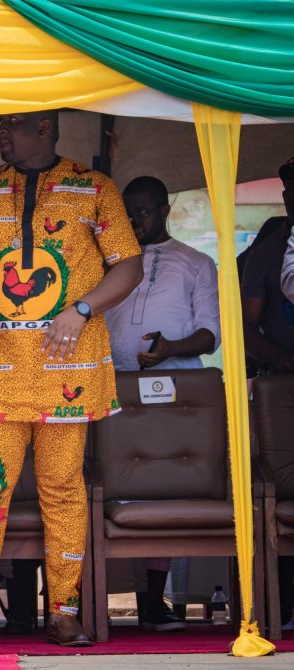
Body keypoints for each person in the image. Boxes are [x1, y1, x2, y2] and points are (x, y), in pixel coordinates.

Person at [0, 110, 142, 648]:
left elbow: (128, 265)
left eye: (15, 124)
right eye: (0, 124)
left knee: (63, 489)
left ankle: (66, 610)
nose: (2, 132)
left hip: (66, 367)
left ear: (46, 127)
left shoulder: (93, 188)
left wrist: (83, 309)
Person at [104, 175, 220, 631]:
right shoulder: (108, 263)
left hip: (174, 392)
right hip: (112, 387)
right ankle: (95, 602)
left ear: (166, 209)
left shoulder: (195, 263)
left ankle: (153, 603)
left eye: (145, 211)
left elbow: (211, 334)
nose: (135, 220)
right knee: (113, 490)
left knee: (160, 488)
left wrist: (170, 348)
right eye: (128, 212)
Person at [241, 157, 294, 375]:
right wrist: (278, 358)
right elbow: (245, 327)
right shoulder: (265, 252)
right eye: (293, 188)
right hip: (284, 380)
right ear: (285, 196)